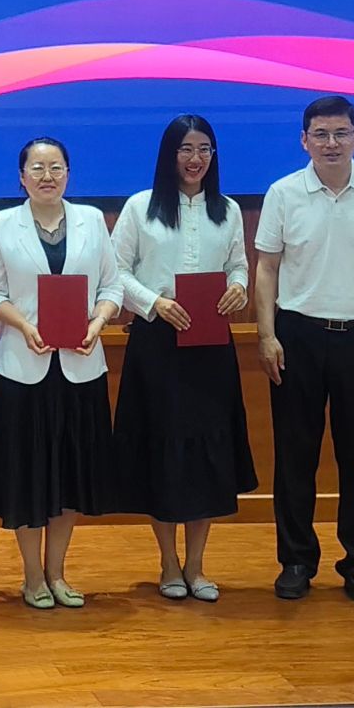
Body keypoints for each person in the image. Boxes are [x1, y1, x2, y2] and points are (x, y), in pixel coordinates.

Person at [254, 95, 354, 605]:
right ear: (304, 140)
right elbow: (266, 269)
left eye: (341, 133)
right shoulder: (283, 193)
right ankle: (296, 561)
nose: (331, 143)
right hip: (297, 336)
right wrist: (266, 335)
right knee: (295, 455)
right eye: (321, 134)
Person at [109, 114, 259, 603]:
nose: (196, 159)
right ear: (169, 154)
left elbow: (238, 265)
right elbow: (115, 272)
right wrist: (154, 302)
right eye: (186, 149)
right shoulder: (140, 207)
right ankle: (168, 563)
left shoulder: (227, 209)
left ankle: (196, 565)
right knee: (162, 449)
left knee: (205, 453)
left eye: (204, 150)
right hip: (157, 343)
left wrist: (238, 287)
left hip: (210, 344)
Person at [0, 136, 125, 609]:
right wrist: (23, 325)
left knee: (70, 474)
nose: (47, 176)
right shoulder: (2, 224)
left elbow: (112, 286)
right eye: (36, 168)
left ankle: (58, 572)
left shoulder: (91, 220)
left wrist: (98, 322)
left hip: (80, 365)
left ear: (68, 174)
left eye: (56, 167)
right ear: (21, 177)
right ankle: (33, 576)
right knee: (28, 474)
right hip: (23, 366)